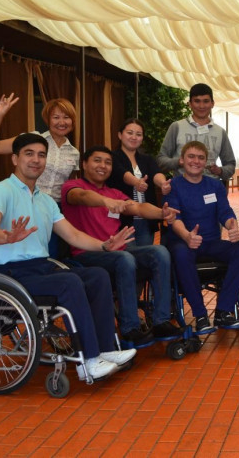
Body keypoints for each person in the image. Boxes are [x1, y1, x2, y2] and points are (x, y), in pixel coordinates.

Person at [0, 133, 136, 381]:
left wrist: (105, 246)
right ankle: (89, 360)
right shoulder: (0, 190)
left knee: (97, 276)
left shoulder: (45, 200)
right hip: (11, 273)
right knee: (69, 281)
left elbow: (73, 235)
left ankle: (106, 348)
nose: (36, 160)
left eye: (41, 155)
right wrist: (6, 237)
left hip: (41, 268)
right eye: (29, 154)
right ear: (15, 159)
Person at [61, 146, 184, 347]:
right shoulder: (72, 186)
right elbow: (81, 197)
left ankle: (161, 321)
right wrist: (105, 201)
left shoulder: (114, 192)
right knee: (124, 258)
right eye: (97, 160)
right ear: (84, 164)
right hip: (87, 253)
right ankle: (129, 329)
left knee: (159, 252)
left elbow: (139, 208)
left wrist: (162, 213)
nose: (103, 166)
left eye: (108, 162)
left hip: (118, 252)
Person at [166, 141, 239, 333]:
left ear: (206, 162)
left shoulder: (214, 185)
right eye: (191, 156)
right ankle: (200, 315)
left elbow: (225, 211)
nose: (195, 161)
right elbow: (174, 218)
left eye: (200, 158)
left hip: (211, 243)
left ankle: (223, 310)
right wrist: (187, 236)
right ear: (182, 160)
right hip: (184, 243)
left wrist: (232, 225)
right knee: (180, 253)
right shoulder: (173, 186)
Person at [0, 93, 80, 203]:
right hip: (26, 201)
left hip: (55, 206)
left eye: (66, 117)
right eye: (56, 117)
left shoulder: (74, 152)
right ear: (48, 120)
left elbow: (69, 185)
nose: (62, 122)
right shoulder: (32, 138)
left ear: (72, 121)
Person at [107, 118, 171, 247]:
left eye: (138, 134)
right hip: (122, 218)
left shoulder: (147, 159)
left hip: (146, 219)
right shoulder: (112, 157)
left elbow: (156, 173)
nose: (134, 137)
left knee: (146, 254)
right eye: (130, 133)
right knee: (128, 253)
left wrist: (163, 183)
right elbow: (122, 173)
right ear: (120, 135)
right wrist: (136, 182)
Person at [157, 83, 236, 185]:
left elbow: (230, 165)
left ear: (212, 104)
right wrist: (179, 162)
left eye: (206, 101)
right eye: (197, 101)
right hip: (181, 186)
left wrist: (220, 171)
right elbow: (161, 160)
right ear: (190, 104)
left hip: (210, 187)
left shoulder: (220, 132)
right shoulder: (176, 127)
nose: (201, 106)